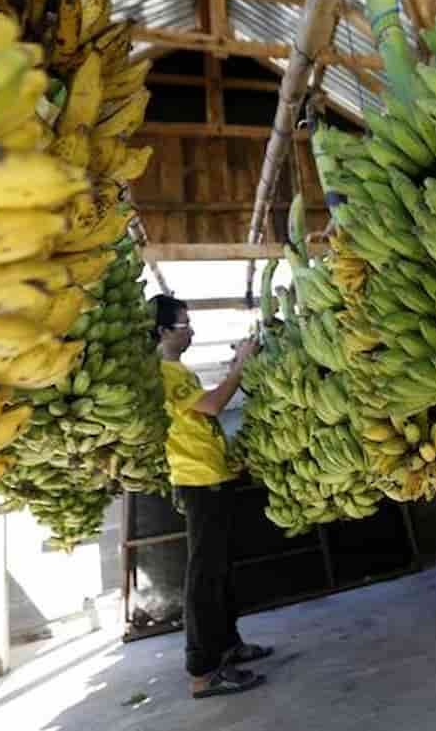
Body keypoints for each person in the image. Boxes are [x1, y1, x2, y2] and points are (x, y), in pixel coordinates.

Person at [151, 294, 270, 697]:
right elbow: (215, 405)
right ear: (163, 331)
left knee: (220, 569)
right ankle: (202, 671)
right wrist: (241, 365)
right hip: (198, 481)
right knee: (204, 575)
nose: (191, 331)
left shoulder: (177, 370)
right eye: (184, 325)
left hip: (213, 474)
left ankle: (229, 646)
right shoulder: (166, 374)